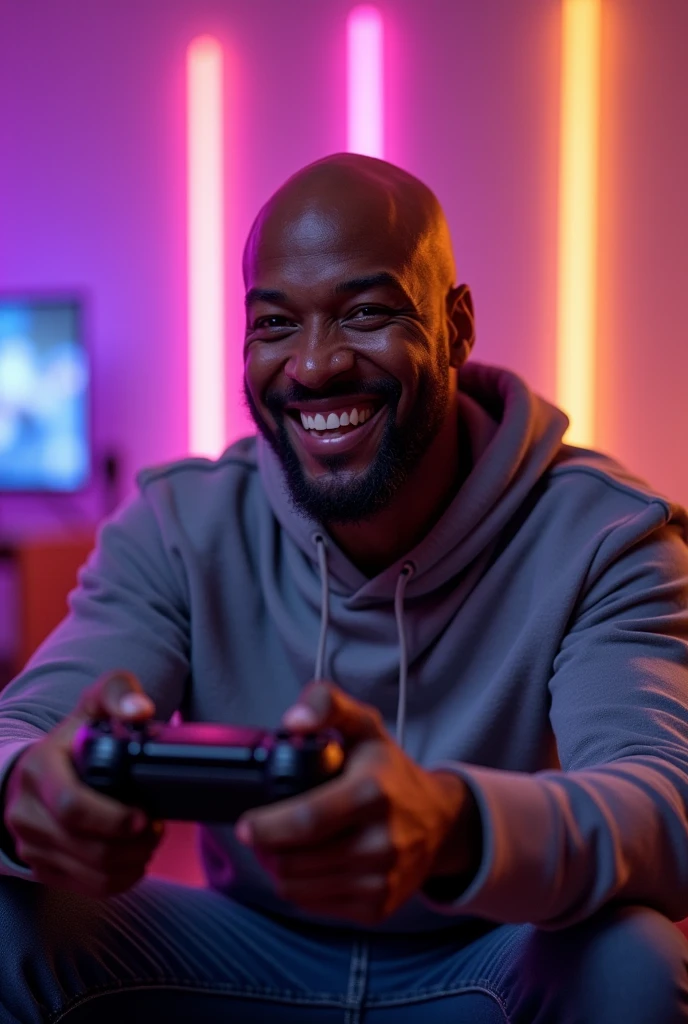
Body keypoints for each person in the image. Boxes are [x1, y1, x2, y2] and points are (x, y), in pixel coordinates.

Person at [0, 153, 686, 1024]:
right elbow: (18, 729)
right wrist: (30, 789)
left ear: (456, 324)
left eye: (365, 313)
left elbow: (664, 799)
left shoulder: (606, 535)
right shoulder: (180, 524)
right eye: (276, 324)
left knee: (632, 961)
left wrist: (450, 823)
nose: (315, 366)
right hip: (238, 956)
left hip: (488, 960)